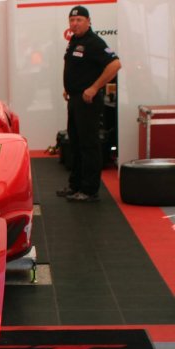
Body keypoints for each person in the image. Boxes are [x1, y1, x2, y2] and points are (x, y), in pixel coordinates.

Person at [58, 5, 121, 202]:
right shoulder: (75, 41)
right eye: (72, 20)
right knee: (75, 143)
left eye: (79, 20)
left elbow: (115, 64)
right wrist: (69, 88)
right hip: (75, 100)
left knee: (89, 146)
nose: (75, 24)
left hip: (88, 102)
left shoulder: (94, 42)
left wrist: (94, 88)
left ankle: (89, 190)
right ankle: (75, 185)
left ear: (88, 22)